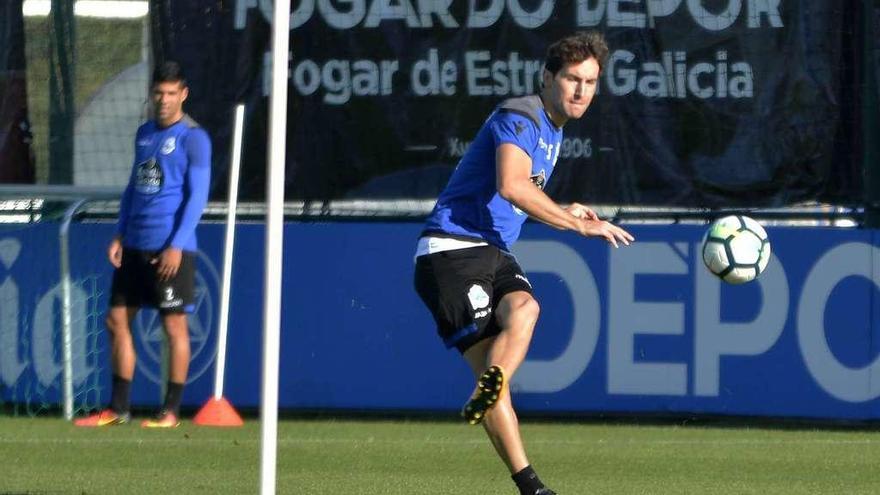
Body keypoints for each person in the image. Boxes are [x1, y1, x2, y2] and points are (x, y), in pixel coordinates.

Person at [414, 31, 633, 495]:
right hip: (450, 252)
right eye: (572, 79)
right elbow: (513, 186)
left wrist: (565, 209)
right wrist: (579, 226)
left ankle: (495, 396)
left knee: (527, 311)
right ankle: (528, 477)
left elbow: (517, 199)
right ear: (548, 77)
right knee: (500, 376)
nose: (581, 91)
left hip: (491, 251)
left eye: (590, 82)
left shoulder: (551, 130)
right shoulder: (521, 115)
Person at [75, 61, 211, 428]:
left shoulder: (193, 139)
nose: (164, 100)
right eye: (158, 93)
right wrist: (120, 233)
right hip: (135, 243)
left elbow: (198, 196)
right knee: (115, 319)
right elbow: (134, 188)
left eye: (171, 94)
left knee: (174, 328)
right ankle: (118, 409)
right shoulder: (144, 134)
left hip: (170, 248)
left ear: (183, 94)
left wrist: (177, 245)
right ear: (151, 95)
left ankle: (170, 411)